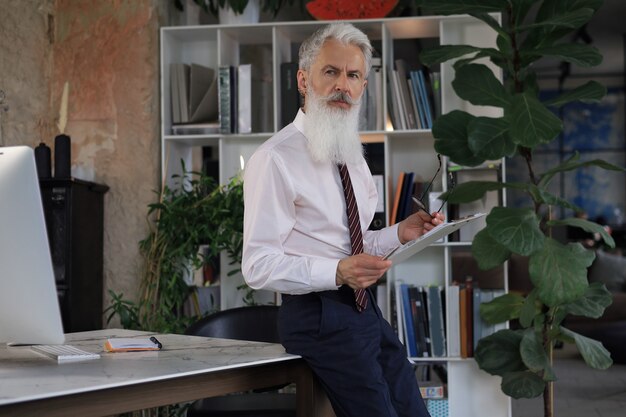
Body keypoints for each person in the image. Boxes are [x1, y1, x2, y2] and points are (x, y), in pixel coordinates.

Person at [242, 22, 443, 417]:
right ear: (304, 80)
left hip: (362, 308)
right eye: (330, 72)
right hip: (316, 314)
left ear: (363, 87)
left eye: (353, 76)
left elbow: (353, 244)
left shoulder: (352, 154)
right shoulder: (275, 158)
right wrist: (338, 272)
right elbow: (258, 266)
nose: (343, 85)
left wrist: (400, 232)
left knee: (413, 410)